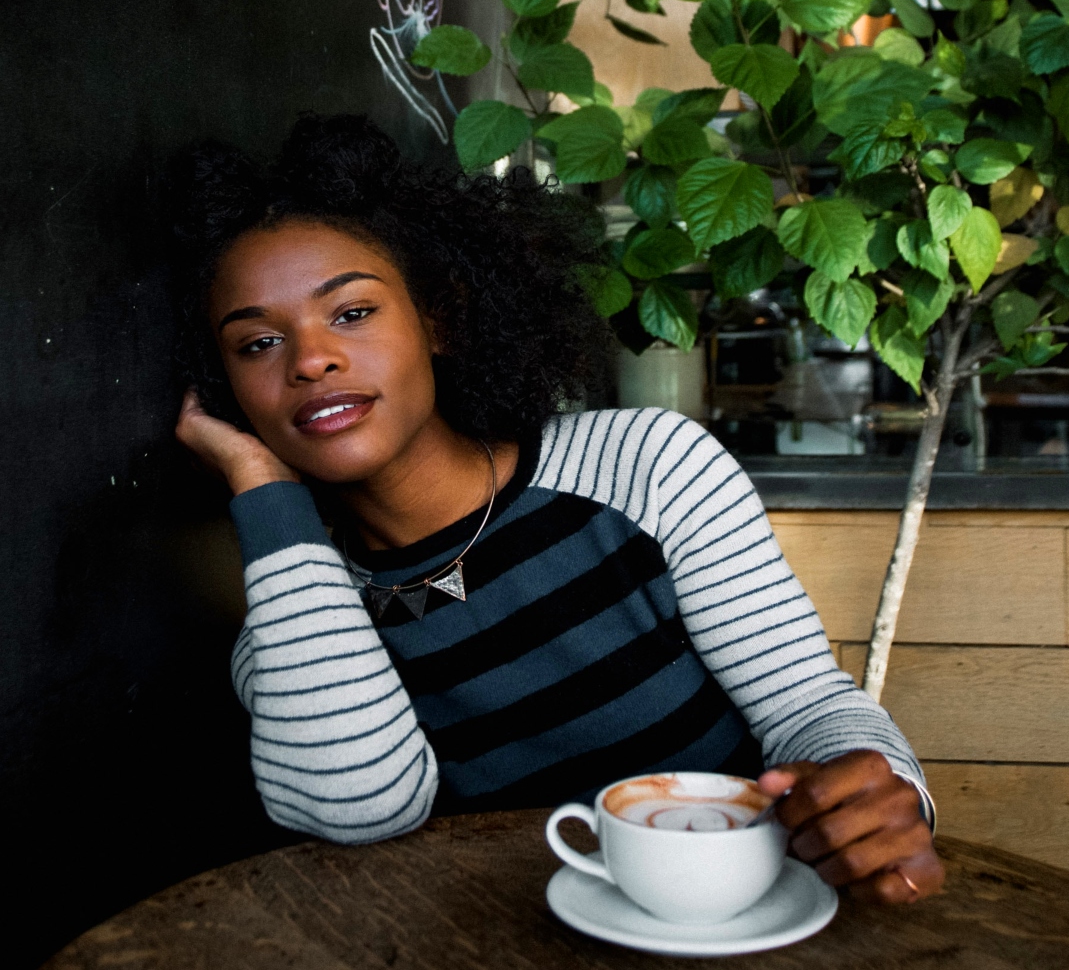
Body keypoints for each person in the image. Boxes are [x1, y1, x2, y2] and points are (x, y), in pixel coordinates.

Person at [169, 113, 943, 905]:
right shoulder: (296, 619)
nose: (311, 359)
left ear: (438, 319)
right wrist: (265, 493)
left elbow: (806, 702)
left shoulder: (644, 467)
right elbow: (364, 809)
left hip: (740, 922)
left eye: (353, 313)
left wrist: (881, 795)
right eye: (257, 344)